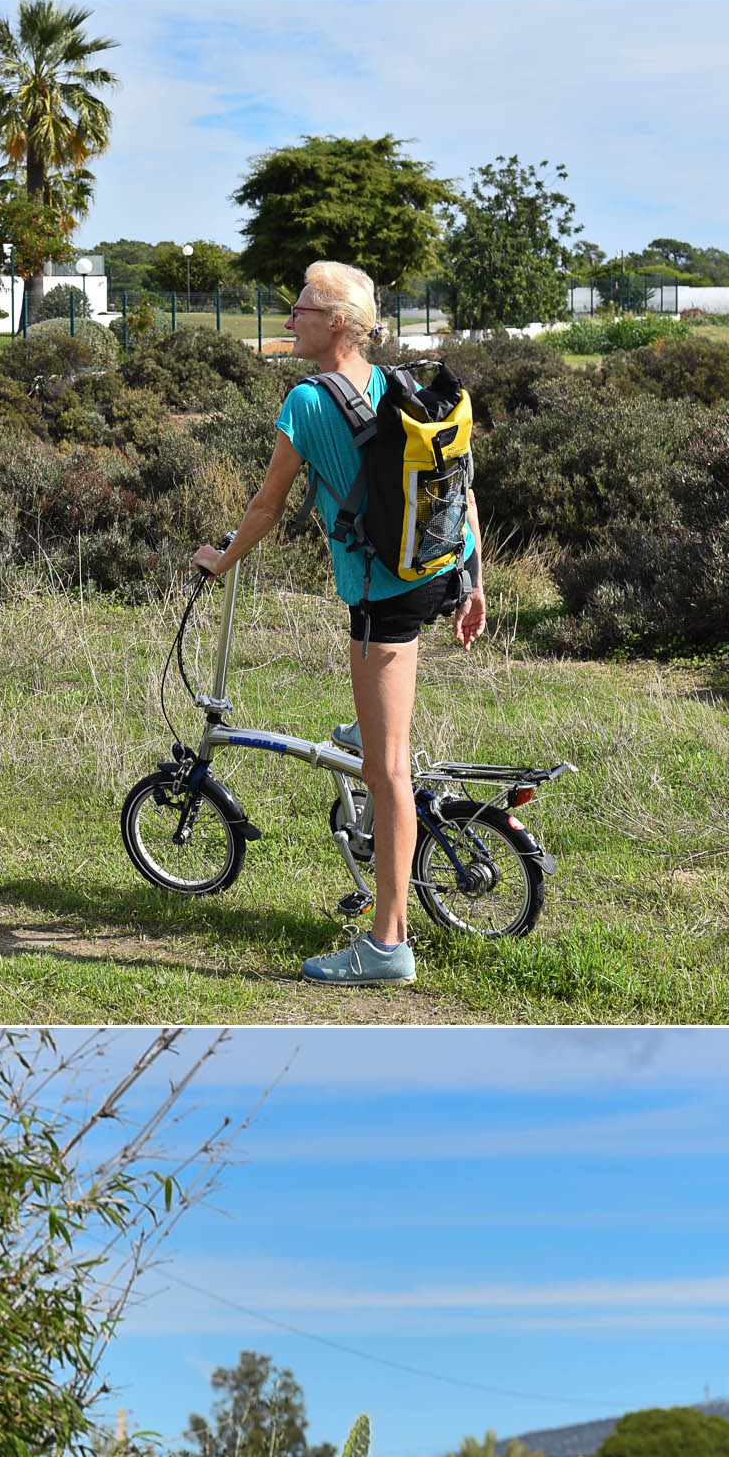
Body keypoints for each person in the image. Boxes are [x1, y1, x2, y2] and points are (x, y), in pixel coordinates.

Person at [192, 260, 485, 987]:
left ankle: (387, 946)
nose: (289, 320)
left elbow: (266, 505)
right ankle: (364, 730)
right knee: (376, 743)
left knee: (388, 774)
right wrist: (474, 580)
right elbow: (459, 482)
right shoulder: (401, 387)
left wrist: (221, 560)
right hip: (435, 578)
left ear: (338, 324)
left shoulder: (307, 403)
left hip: (382, 603)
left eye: (301, 309)